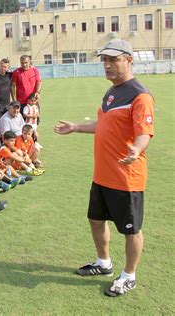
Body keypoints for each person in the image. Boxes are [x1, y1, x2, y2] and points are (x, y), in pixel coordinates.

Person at [54, 39, 155, 297]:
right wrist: (76, 127)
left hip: (126, 177)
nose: (107, 65)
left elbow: (144, 133)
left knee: (131, 231)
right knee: (95, 220)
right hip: (103, 175)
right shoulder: (111, 93)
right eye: (104, 60)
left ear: (129, 60)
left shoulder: (140, 95)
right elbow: (103, 125)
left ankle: (129, 275)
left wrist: (137, 148)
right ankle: (104, 263)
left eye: (114, 60)